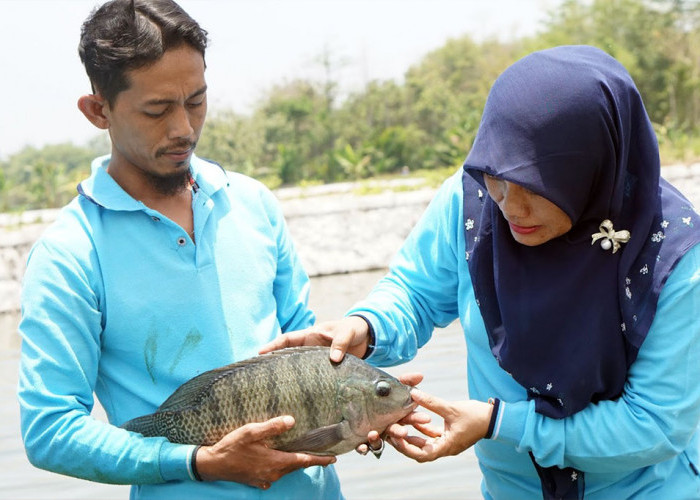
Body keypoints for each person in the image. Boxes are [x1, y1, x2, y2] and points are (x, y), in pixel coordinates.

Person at [261, 45, 700, 499]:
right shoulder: (472, 201)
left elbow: (656, 424)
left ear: (591, 170)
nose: (510, 205)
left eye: (534, 186)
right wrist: (366, 328)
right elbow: (415, 292)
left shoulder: (672, 256)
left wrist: (499, 423)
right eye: (497, 178)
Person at [16, 1, 345, 498]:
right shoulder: (70, 256)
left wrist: (362, 406)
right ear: (98, 110)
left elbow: (305, 350)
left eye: (196, 100)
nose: (184, 129)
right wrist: (197, 462)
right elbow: (50, 430)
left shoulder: (252, 204)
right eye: (157, 109)